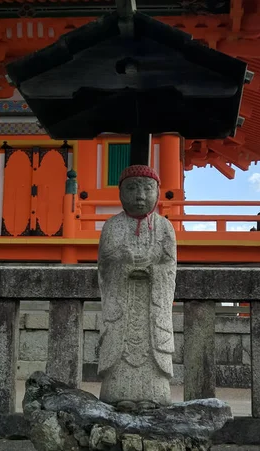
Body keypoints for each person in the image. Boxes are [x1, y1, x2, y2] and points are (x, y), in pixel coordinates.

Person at [97, 165, 177, 408]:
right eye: (132, 188)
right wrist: (123, 263)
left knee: (152, 347)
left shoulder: (165, 227)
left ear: (158, 192)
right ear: (121, 193)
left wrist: (153, 270)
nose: (140, 195)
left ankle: (153, 395)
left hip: (152, 305)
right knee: (119, 346)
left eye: (147, 188)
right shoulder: (112, 226)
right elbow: (105, 265)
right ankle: (117, 393)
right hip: (121, 304)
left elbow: (170, 266)